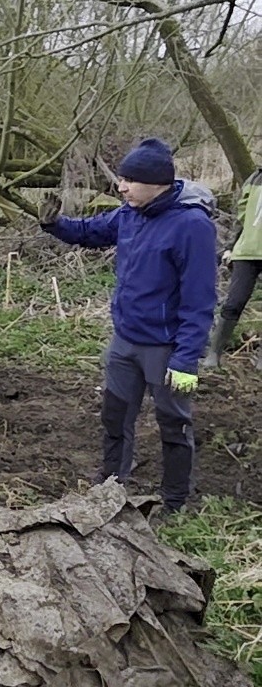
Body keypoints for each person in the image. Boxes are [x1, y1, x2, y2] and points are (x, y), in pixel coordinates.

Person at [40, 137, 217, 513]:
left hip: (166, 349)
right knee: (115, 418)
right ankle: (110, 489)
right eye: (121, 179)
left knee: (173, 424)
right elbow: (90, 232)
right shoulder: (129, 214)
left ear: (158, 182)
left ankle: (174, 503)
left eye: (129, 180)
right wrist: (55, 224)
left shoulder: (191, 225)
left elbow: (200, 300)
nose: (121, 187)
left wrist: (186, 360)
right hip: (125, 342)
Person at [200, 163, 262, 370]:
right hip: (247, 251)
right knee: (234, 302)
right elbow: (241, 217)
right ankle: (214, 354)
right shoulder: (255, 178)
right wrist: (230, 247)